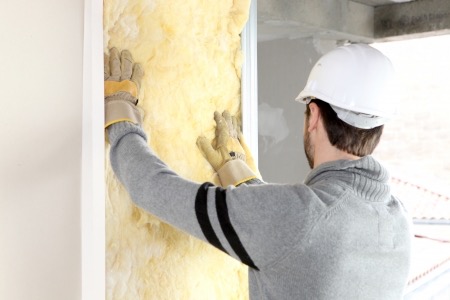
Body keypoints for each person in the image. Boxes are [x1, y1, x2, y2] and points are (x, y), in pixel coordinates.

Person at [104, 44, 412, 300]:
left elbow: (151, 188)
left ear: (314, 116)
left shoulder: (301, 217)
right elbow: (288, 240)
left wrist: (121, 112)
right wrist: (235, 168)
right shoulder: (397, 222)